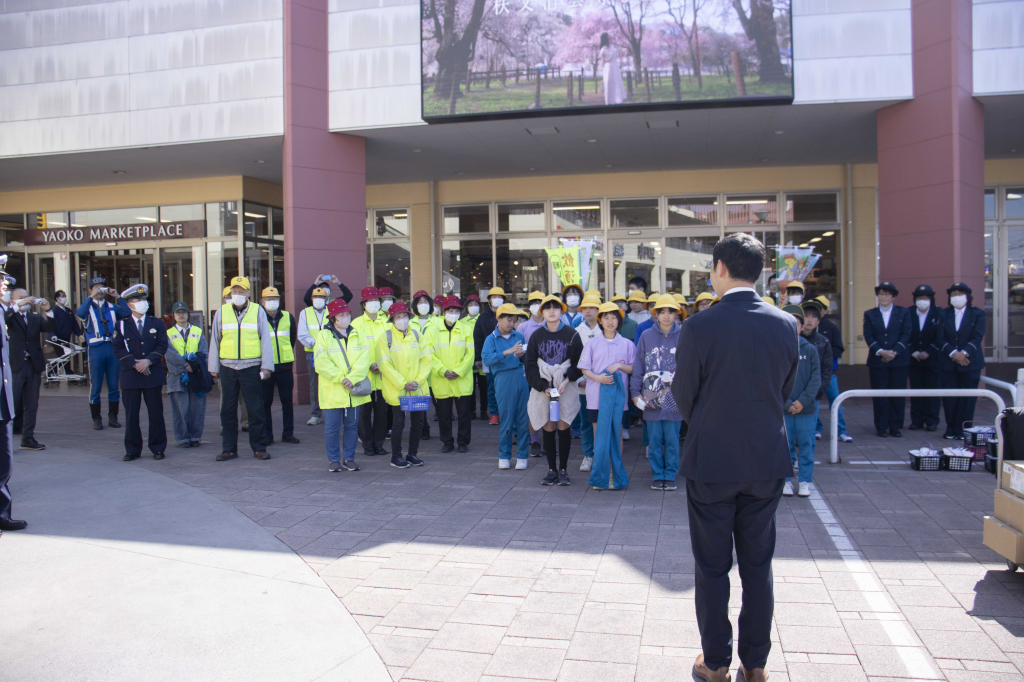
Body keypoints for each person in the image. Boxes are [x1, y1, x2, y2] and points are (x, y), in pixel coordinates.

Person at [671, 233, 799, 682]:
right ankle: (756, 663)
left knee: (711, 567)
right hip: (766, 457)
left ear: (720, 268)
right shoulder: (785, 323)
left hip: (712, 460)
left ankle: (716, 662)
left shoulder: (700, 325)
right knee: (758, 566)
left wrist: (708, 422)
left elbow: (684, 394)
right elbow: (784, 389)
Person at [209, 276, 274, 462]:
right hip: (227, 367)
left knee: (255, 409)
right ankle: (229, 449)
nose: (237, 294)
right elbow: (215, 339)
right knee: (227, 410)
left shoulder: (257, 310)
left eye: (241, 291)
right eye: (234, 291)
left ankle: (259, 448)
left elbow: (265, 339)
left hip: (251, 367)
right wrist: (213, 367)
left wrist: (266, 366)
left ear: (248, 293)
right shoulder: (221, 312)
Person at [525, 295, 583, 486]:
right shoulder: (536, 336)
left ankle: (563, 469)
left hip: (565, 387)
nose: (551, 311)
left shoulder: (572, 334)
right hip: (544, 389)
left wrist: (566, 380)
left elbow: (579, 363)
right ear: (542, 312)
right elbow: (530, 366)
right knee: (548, 426)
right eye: (547, 308)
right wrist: (543, 386)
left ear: (561, 311)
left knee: (563, 426)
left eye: (555, 307)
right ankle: (551, 470)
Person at [579, 302, 633, 490]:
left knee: (617, 436)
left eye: (614, 318)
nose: (610, 322)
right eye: (606, 318)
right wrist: (598, 378)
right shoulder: (592, 343)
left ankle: (614, 474)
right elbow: (584, 369)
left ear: (619, 321)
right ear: (600, 320)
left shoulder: (627, 344)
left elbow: (633, 368)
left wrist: (620, 366)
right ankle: (600, 475)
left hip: (619, 399)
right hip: (596, 398)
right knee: (599, 437)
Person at [631, 294, 683, 491]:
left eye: (670, 312)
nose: (666, 316)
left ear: (676, 314)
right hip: (651, 394)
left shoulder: (684, 335)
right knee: (653, 440)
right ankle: (657, 474)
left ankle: (670, 475)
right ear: (656, 314)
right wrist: (635, 392)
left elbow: (690, 366)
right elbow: (638, 366)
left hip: (675, 396)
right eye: (662, 312)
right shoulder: (646, 335)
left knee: (672, 439)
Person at [113, 285, 168, 461]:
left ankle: (158, 448)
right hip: (131, 374)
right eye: (138, 300)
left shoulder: (156, 323)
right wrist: (135, 363)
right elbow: (118, 348)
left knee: (156, 413)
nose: (142, 303)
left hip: (152, 373)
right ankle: (132, 449)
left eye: (144, 299)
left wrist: (148, 361)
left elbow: (162, 345)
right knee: (131, 415)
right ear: (130, 304)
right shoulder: (121, 325)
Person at [314, 299, 368, 472]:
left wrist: (352, 378)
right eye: (341, 314)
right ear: (333, 318)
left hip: (353, 389)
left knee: (352, 426)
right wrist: (341, 378)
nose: (345, 317)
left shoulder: (358, 334)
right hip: (333, 390)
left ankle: (349, 458)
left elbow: (364, 359)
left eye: (347, 314)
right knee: (332, 428)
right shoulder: (324, 336)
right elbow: (321, 363)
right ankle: (334, 460)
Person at [377, 301, 430, 469]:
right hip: (397, 389)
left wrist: (418, 380)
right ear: (392, 319)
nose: (402, 319)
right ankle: (396, 457)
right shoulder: (385, 338)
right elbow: (384, 364)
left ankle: (412, 454)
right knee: (398, 423)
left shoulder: (417, 335)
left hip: (417, 388)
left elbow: (427, 359)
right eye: (398, 317)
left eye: (405, 316)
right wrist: (402, 383)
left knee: (418, 422)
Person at [78, 276, 131, 430]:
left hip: (111, 348)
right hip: (96, 349)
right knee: (95, 385)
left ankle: (113, 417)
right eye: (96, 287)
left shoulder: (112, 307)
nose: (100, 290)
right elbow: (80, 313)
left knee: (113, 385)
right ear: (91, 290)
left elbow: (127, 312)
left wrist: (117, 296)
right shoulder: (88, 307)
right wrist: (91, 297)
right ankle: (96, 418)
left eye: (102, 287)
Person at [482, 303, 531, 468]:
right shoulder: (491, 339)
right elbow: (487, 359)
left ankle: (522, 456)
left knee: (523, 418)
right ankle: (504, 456)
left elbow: (525, 359)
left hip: (520, 376)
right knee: (507, 418)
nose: (511, 323)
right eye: (508, 320)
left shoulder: (519, 335)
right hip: (502, 377)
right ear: (499, 318)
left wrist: (522, 355)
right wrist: (506, 352)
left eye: (514, 320)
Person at [6, 289, 55, 451]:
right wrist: (16, 306)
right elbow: (4, 319)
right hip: (16, 365)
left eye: (27, 297)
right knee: (12, 403)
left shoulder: (34, 317)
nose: (26, 300)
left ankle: (27, 438)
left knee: (31, 404)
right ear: (13, 301)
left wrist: (48, 310)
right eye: (21, 298)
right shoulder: (10, 316)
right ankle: (5, 441)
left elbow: (50, 326)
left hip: (33, 365)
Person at [781, 304, 821, 499]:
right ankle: (786, 480)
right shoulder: (776, 350)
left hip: (806, 409)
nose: (792, 327)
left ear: (802, 326)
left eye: (796, 323)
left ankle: (805, 480)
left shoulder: (810, 349)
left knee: (806, 445)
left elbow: (815, 378)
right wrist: (787, 402)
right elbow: (774, 380)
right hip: (784, 409)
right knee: (785, 447)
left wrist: (803, 401)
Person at [863, 281, 912, 438]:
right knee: (880, 394)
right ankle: (881, 426)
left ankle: (895, 426)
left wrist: (894, 352)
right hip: (878, 361)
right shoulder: (870, 314)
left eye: (887, 294)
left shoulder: (903, 313)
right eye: (880, 294)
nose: (883, 297)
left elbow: (906, 334)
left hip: (899, 360)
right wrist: (881, 351)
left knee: (897, 394)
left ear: (893, 296)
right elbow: (868, 335)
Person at [939, 282, 985, 440]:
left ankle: (964, 429)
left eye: (960, 294)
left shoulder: (977, 313)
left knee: (968, 398)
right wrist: (954, 353)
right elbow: (940, 337)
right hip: (948, 363)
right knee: (950, 398)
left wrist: (964, 353)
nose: (956, 297)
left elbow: (977, 336)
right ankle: (951, 428)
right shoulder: (944, 314)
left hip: (970, 362)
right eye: (953, 295)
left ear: (967, 296)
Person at [0, 256, 25, 533]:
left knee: (4, 460)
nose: (4, 283)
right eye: (1, 279)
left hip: (3, 400)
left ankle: (2, 514)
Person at [432, 296, 475, 453]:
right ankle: (447, 442)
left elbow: (470, 355)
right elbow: (429, 354)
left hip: (462, 379)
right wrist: (443, 371)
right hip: (441, 379)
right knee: (444, 414)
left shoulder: (466, 329)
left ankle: (463, 441)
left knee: (464, 414)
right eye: (450, 310)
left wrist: (458, 371)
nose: (453, 313)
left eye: (456, 311)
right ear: (444, 312)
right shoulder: (433, 331)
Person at [351, 287, 390, 457]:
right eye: (370, 301)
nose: (374, 304)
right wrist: (368, 365)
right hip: (364, 377)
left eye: (376, 300)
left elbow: (392, 347)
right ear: (364, 304)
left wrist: (382, 365)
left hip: (383, 376)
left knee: (382, 413)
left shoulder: (386, 323)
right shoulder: (356, 324)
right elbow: (353, 350)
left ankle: (379, 444)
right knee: (364, 413)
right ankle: (367, 444)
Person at [165, 301, 208, 448]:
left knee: (197, 407)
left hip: (195, 374)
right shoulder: (168, 333)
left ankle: (195, 437)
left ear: (188, 314)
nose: (181, 315)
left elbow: (203, 352)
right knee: (179, 409)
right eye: (178, 313)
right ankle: (182, 438)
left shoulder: (198, 331)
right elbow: (169, 355)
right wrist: (185, 365)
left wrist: (193, 366)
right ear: (173, 315)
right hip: (176, 375)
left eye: (183, 312)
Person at [261, 287, 299, 445]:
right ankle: (268, 435)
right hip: (266, 366)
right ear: (262, 301)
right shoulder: (259, 318)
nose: (272, 302)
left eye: (275, 299)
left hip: (285, 366)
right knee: (265, 402)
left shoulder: (288, 317)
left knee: (287, 401)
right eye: (269, 299)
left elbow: (292, 339)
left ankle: (288, 433)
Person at [813, 295, 852, 442]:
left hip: (829, 373)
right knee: (814, 403)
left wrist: (825, 354)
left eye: (820, 307)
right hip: (812, 374)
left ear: (825, 311)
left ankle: (841, 431)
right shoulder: (804, 327)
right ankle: (817, 428)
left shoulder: (831, 327)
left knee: (836, 400)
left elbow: (839, 348)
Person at [572, 295, 603, 468]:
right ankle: (587, 455)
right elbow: (573, 358)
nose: (588, 311)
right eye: (585, 308)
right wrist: (579, 379)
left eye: (592, 307)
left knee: (601, 421)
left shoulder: (606, 330)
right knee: (585, 421)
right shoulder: (576, 331)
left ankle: (600, 454)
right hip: (584, 384)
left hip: (602, 384)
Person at [907, 285, 943, 432]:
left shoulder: (939, 313)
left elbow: (941, 335)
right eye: (919, 298)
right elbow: (904, 334)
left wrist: (929, 351)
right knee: (916, 391)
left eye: (925, 298)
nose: (922, 300)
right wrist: (913, 352)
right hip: (914, 359)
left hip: (933, 359)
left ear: (931, 299)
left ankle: (932, 421)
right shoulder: (908, 312)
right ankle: (916, 421)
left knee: (933, 391)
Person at [799, 301, 833, 441]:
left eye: (814, 317)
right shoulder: (792, 339)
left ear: (818, 321)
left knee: (810, 425)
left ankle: (808, 450)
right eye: (806, 316)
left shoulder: (823, 342)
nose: (810, 320)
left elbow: (826, 369)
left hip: (814, 391)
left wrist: (820, 389)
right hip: (794, 391)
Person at [298, 286, 330, 426]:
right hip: (313, 352)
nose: (318, 300)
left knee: (330, 381)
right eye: (316, 297)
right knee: (314, 383)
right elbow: (302, 333)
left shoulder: (331, 311)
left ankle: (330, 412)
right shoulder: (305, 313)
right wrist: (316, 344)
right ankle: (316, 414)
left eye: (321, 297)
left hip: (330, 352)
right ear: (311, 299)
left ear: (326, 299)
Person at [473, 287, 504, 425]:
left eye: (500, 297)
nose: (497, 299)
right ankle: (494, 413)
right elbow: (477, 338)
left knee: (505, 387)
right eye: (494, 297)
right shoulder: (483, 317)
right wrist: (477, 358)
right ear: (489, 300)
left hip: (506, 356)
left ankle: (504, 412)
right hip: (489, 357)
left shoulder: (508, 314)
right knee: (491, 387)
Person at [463, 294, 487, 420]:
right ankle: (471, 410)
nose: (473, 307)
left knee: (484, 387)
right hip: (468, 359)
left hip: (483, 358)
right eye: (470, 304)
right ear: (466, 307)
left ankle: (483, 410)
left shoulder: (483, 319)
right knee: (470, 387)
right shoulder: (461, 322)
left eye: (476, 304)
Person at [598, 32, 624, 105]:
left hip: (615, 67)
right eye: (608, 36)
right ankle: (609, 102)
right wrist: (603, 75)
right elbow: (602, 63)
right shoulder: (603, 50)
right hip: (608, 68)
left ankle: (617, 100)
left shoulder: (612, 46)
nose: (610, 37)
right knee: (608, 85)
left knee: (616, 83)